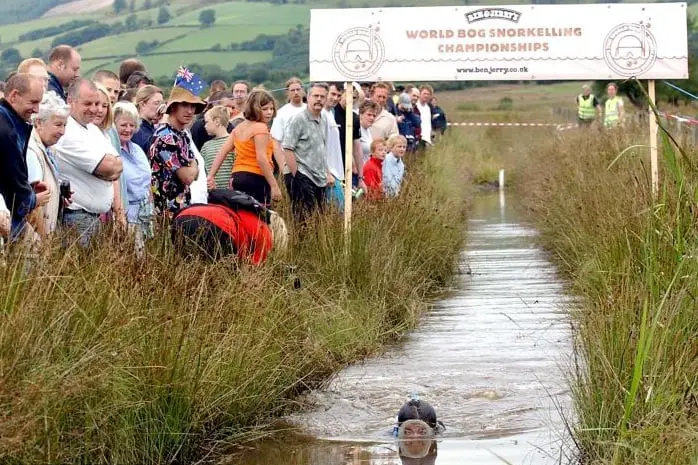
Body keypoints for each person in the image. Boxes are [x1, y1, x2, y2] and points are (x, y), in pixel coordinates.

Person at [54, 79, 123, 246]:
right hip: (77, 217)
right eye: (87, 103)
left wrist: (108, 170)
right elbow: (108, 167)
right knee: (80, 267)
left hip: (94, 217)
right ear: (70, 101)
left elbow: (119, 164)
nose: (94, 109)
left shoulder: (92, 128)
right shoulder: (68, 132)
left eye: (97, 103)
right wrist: (107, 171)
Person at [171, 189, 285, 264]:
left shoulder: (246, 209)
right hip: (216, 227)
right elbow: (253, 268)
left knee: (189, 265)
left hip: (182, 216)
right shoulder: (265, 232)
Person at [208, 89, 280, 205]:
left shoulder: (238, 128)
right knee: (260, 218)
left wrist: (211, 175)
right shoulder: (261, 128)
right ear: (255, 109)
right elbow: (261, 158)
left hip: (237, 177)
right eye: (265, 109)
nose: (269, 112)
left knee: (241, 216)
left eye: (271, 109)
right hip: (256, 178)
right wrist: (274, 186)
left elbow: (222, 152)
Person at [0, 74, 47, 241]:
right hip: (7, 219)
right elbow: (14, 183)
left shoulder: (9, 122)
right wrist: (34, 199)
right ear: (14, 96)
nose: (36, 110)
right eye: (33, 102)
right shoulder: (6, 131)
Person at [149, 84, 205, 216]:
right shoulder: (166, 137)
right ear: (173, 106)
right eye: (185, 105)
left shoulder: (183, 134)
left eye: (193, 106)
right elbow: (188, 177)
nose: (190, 111)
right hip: (166, 212)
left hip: (182, 207)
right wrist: (192, 164)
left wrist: (192, 166)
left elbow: (196, 174)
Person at [283, 83, 332, 222]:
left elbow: (321, 149)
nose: (319, 99)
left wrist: (327, 173)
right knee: (304, 220)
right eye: (315, 96)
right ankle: (301, 244)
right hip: (302, 174)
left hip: (319, 177)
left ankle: (315, 244)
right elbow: (287, 148)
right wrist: (296, 175)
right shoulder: (298, 119)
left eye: (322, 97)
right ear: (308, 97)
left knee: (319, 219)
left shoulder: (323, 119)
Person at [26, 91, 69, 238]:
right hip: (33, 242)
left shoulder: (48, 150)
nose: (62, 131)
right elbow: (33, 205)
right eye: (58, 125)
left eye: (64, 125)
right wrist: (45, 243)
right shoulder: (32, 151)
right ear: (38, 122)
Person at [113, 101, 154, 253]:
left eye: (132, 125)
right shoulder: (112, 150)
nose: (128, 129)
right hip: (127, 216)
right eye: (123, 125)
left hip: (146, 214)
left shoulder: (136, 149)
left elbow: (148, 181)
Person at [93, 84, 126, 225]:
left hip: (108, 206)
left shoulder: (107, 134)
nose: (100, 110)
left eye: (105, 106)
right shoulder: (78, 135)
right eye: (95, 104)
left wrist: (119, 212)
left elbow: (115, 177)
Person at [272, 77, 306, 193]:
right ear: (287, 93)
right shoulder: (281, 113)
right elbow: (276, 143)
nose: (296, 92)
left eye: (298, 89)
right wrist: (283, 167)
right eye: (292, 90)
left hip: (310, 163)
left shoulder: (310, 110)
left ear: (302, 90)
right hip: (290, 163)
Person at [330, 83, 365, 190]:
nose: (351, 100)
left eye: (354, 97)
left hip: (346, 169)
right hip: (330, 168)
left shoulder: (354, 118)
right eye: (348, 95)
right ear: (342, 94)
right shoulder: (331, 113)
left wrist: (360, 178)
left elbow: (357, 149)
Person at [201, 105, 234, 189]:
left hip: (230, 194)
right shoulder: (206, 146)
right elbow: (202, 169)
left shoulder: (233, 142)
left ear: (217, 121)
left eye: (207, 122)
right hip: (211, 192)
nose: (205, 126)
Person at [132, 85, 164, 154]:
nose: (160, 107)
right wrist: (164, 124)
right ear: (142, 104)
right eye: (156, 103)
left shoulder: (151, 127)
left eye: (161, 103)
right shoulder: (135, 128)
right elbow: (151, 149)